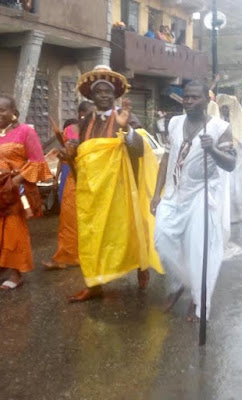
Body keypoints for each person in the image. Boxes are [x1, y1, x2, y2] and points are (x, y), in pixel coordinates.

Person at [66, 65, 163, 302]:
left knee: (129, 229)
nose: (104, 96)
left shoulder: (127, 117)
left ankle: (142, 264)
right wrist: (70, 152)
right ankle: (94, 283)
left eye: (108, 92)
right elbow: (85, 154)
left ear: (115, 95)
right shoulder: (86, 120)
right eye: (98, 92)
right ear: (90, 96)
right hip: (92, 191)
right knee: (92, 233)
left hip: (121, 188)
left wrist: (126, 128)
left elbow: (141, 150)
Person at [151, 80, 236, 321]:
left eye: (194, 97)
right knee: (162, 239)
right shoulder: (175, 123)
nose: (188, 101)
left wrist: (214, 150)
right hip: (174, 193)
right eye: (186, 97)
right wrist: (157, 193)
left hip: (202, 194)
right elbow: (167, 158)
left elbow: (231, 164)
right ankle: (179, 283)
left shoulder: (220, 128)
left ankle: (199, 300)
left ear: (207, 100)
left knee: (198, 250)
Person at [0, 94, 52, 289]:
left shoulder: (26, 132)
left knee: (13, 230)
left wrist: (15, 181)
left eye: (2, 110)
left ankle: (16, 273)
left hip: (15, 189)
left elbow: (37, 161)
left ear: (14, 113)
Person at [42, 101, 94, 270]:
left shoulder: (101, 131)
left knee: (93, 220)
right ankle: (65, 257)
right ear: (80, 114)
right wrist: (64, 153)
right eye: (87, 114)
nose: (91, 117)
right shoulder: (71, 130)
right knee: (69, 219)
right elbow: (65, 153)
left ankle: (92, 256)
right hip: (73, 179)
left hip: (96, 179)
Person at [217, 94, 242, 223]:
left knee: (235, 191)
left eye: (226, 108)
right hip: (220, 165)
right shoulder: (217, 123)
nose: (224, 110)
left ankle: (235, 214)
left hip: (237, 166)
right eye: (222, 107)